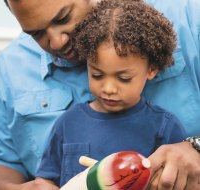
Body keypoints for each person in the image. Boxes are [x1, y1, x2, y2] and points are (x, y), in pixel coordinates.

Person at [0, 0, 199, 189]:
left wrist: (196, 147)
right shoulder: (12, 66)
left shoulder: (188, 18)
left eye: (63, 18)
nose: (57, 42)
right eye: (36, 34)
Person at [35, 0, 187, 188]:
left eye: (123, 78)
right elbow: (46, 178)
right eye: (97, 75)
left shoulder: (164, 127)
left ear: (152, 70)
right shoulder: (68, 122)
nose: (108, 88)